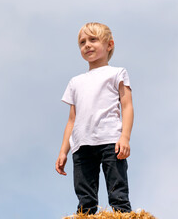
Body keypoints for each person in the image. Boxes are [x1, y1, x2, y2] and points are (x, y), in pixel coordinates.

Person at [55, 22, 134, 214]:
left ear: (109, 44)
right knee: (85, 199)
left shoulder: (117, 73)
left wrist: (125, 137)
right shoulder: (75, 82)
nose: (87, 45)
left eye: (93, 39)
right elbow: (71, 120)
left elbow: (127, 106)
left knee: (118, 193)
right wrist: (63, 151)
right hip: (81, 145)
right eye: (82, 42)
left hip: (110, 140)